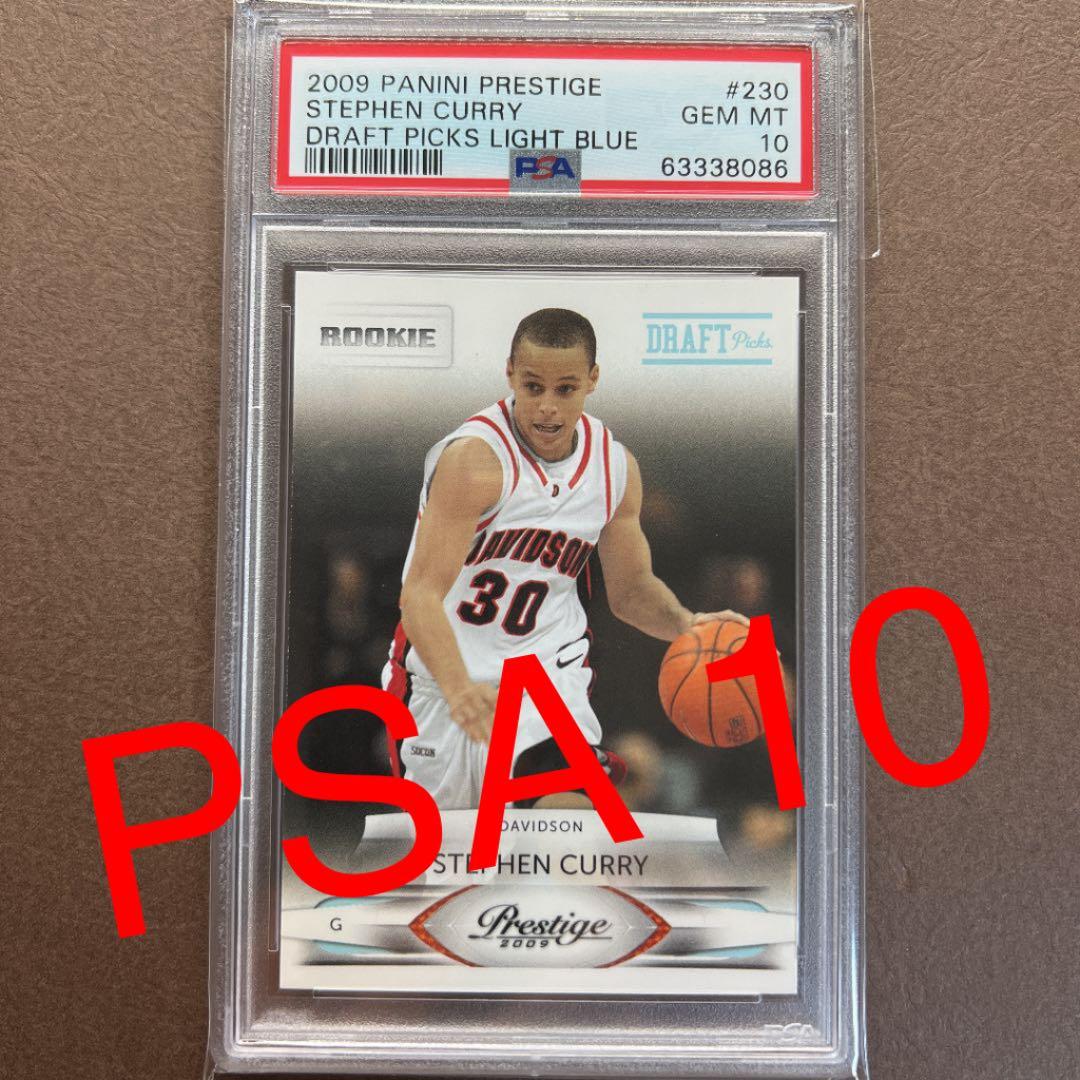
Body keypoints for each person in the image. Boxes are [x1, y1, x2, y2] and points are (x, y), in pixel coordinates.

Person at [382, 308, 746, 810]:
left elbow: (631, 590)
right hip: (444, 687)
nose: (547, 408)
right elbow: (420, 594)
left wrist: (687, 623)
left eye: (566, 389)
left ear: (592, 380)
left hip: (546, 687)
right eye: (533, 387)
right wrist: (460, 687)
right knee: (453, 856)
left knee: (571, 827)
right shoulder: (475, 461)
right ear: (510, 373)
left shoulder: (614, 468)